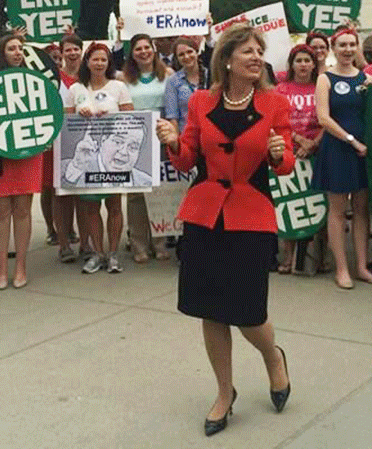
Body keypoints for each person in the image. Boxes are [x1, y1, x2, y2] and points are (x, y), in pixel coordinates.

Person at [154, 22, 293, 436]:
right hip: (205, 213)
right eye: (248, 51)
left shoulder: (274, 104)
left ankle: (273, 358)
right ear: (228, 59)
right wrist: (173, 141)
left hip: (251, 213)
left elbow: (284, 165)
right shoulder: (200, 101)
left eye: (259, 51)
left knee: (248, 311)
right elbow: (187, 158)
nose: (256, 58)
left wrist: (279, 152)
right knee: (210, 309)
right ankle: (224, 392)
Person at [313, 28, 372, 289]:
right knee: (338, 210)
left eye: (351, 45)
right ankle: (342, 269)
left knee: (363, 210)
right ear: (333, 47)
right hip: (339, 148)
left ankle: (362, 267)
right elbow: (324, 118)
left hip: (364, 150)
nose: (347, 49)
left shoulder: (366, 78)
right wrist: (351, 140)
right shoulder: (325, 79)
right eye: (342, 45)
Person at [66, 42, 134, 273]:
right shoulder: (76, 90)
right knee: (90, 208)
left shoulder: (118, 87)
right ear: (87, 61)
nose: (99, 63)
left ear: (108, 63)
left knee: (114, 205)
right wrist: (79, 114)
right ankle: (97, 253)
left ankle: (113, 254)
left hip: (111, 158)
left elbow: (131, 119)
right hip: (86, 160)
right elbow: (66, 125)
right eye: (95, 59)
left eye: (103, 59)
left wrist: (110, 118)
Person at [0, 34, 43, 290]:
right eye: (11, 48)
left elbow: (46, 112)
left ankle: (20, 265)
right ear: (1, 53)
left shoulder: (35, 83)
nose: (18, 52)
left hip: (27, 151)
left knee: (22, 210)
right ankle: (0, 267)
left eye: (20, 48)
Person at [120, 33, 170, 263]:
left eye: (146, 47)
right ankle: (139, 243)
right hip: (135, 137)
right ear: (132, 53)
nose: (143, 52)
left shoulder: (167, 74)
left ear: (154, 49)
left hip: (161, 135)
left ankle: (160, 242)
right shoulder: (124, 79)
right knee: (136, 194)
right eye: (137, 48)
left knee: (159, 190)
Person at [274, 44, 323, 274]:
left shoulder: (322, 87)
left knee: (318, 205)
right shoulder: (281, 89)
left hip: (317, 153)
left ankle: (319, 259)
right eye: (299, 60)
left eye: (307, 60)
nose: (303, 65)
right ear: (292, 64)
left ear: (314, 64)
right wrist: (298, 140)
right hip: (288, 152)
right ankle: (287, 258)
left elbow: (330, 118)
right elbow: (276, 121)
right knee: (289, 204)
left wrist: (313, 143)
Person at [50, 34, 84, 257]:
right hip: (59, 140)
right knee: (60, 195)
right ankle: (63, 243)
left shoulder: (89, 75)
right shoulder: (53, 79)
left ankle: (86, 243)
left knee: (82, 194)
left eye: (76, 49)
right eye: (68, 50)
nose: (72, 53)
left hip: (84, 141)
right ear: (61, 53)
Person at [163, 37, 208, 133]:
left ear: (197, 52)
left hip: (210, 135)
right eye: (181, 55)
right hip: (186, 135)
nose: (186, 57)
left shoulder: (211, 75)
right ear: (177, 58)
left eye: (189, 52)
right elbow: (172, 116)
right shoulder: (172, 81)